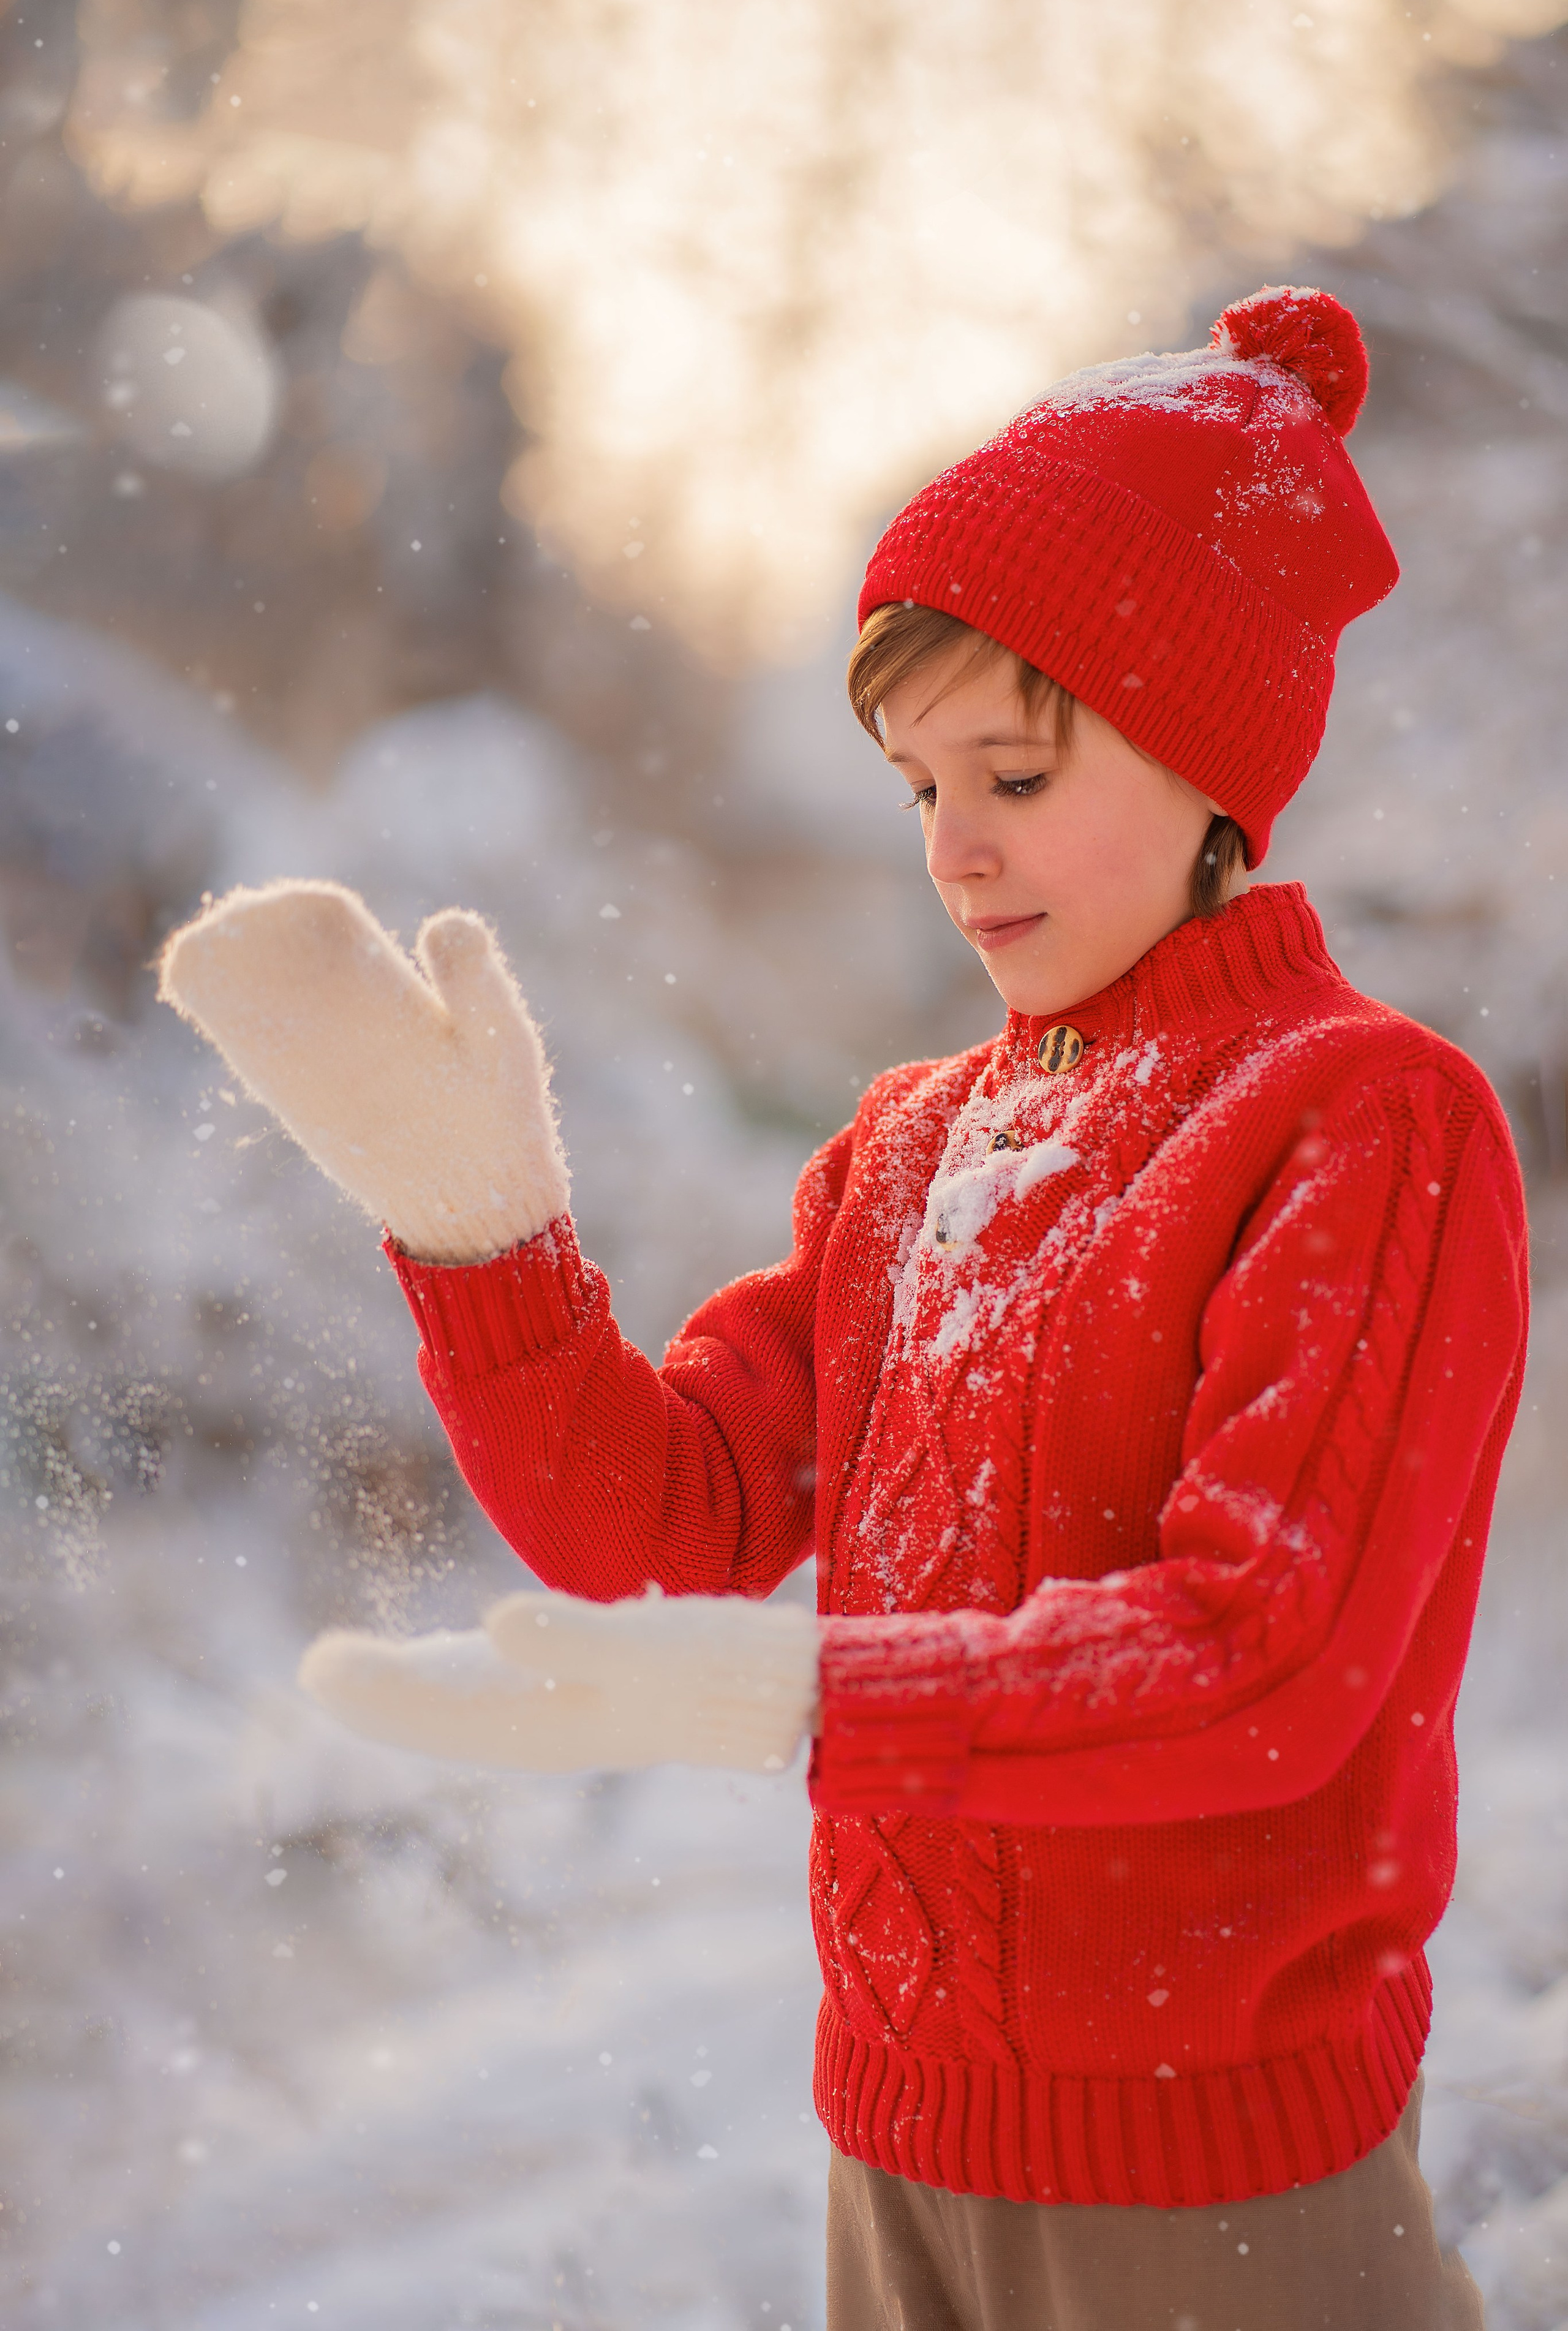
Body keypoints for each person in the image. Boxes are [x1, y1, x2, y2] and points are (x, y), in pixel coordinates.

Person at [160, 287, 1526, 2330]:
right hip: (896, 2160)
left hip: (1220, 2185)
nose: (956, 851)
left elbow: (1265, 1659)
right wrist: (475, 1226)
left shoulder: (1360, 1123)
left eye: (1016, 772)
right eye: (917, 788)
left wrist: (812, 1704)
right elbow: (666, 1519)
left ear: (1209, 756)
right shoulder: (911, 1149)